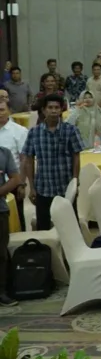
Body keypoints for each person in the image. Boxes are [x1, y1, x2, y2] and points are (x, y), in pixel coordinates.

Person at [0, 109, 21, 306]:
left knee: (1, 251)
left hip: (0, 209)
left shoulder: (4, 153)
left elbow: (15, 178)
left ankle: (2, 291)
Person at [0, 101, 28, 232]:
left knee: (17, 218)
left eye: (2, 110)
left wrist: (22, 183)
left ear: (9, 111)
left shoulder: (19, 131)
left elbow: (24, 159)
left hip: (12, 182)